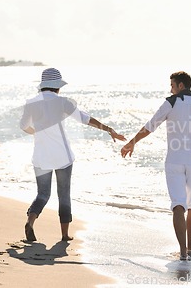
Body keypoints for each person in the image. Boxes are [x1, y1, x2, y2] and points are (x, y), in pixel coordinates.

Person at [121, 71, 191, 261]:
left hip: (174, 161)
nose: (170, 89)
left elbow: (151, 125)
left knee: (178, 205)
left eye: (172, 85)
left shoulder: (171, 102)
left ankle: (183, 252)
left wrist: (132, 142)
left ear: (181, 86)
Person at [20, 68, 126, 242]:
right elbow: (85, 119)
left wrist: (37, 133)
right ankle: (64, 235)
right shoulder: (63, 102)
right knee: (64, 194)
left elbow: (24, 126)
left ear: (43, 86)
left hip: (40, 156)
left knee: (43, 194)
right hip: (63, 156)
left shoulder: (31, 102)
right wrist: (109, 130)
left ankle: (30, 221)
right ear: (57, 86)